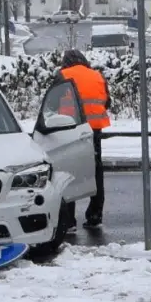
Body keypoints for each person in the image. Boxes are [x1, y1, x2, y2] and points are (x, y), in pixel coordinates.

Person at [58, 49, 110, 227]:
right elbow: (107, 102)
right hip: (93, 131)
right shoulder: (97, 75)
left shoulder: (62, 75)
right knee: (95, 171)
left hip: (69, 129)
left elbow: (54, 102)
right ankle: (95, 215)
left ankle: (69, 220)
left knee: (68, 174)